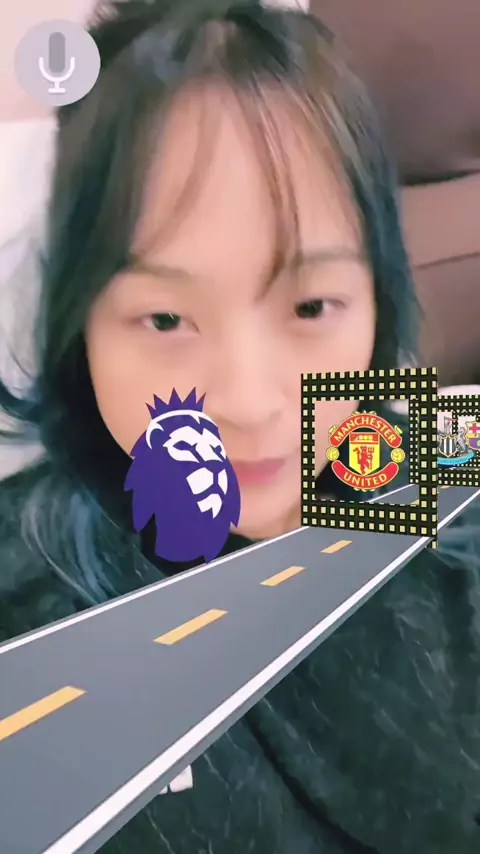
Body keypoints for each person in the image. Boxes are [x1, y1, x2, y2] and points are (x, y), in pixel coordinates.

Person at [1, 2, 480, 852]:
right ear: (83, 329)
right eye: (165, 320)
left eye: (311, 306)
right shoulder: (35, 604)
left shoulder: (423, 454)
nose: (253, 405)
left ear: (376, 298)